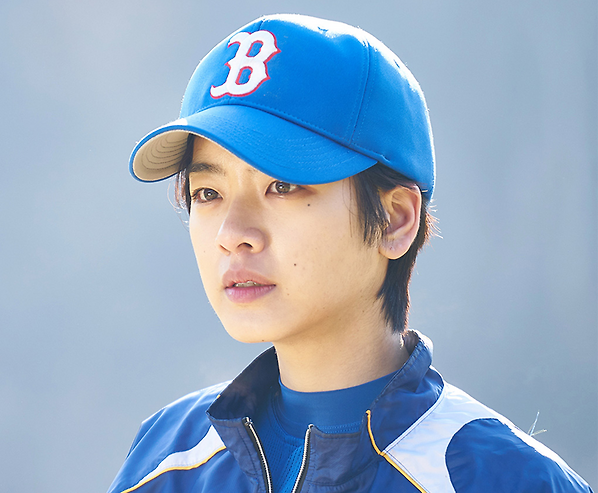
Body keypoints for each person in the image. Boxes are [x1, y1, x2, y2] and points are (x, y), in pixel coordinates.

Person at [107, 14, 593, 493]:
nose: (232, 234)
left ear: (395, 220)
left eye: (282, 185)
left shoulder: (503, 480)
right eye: (208, 193)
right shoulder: (165, 459)